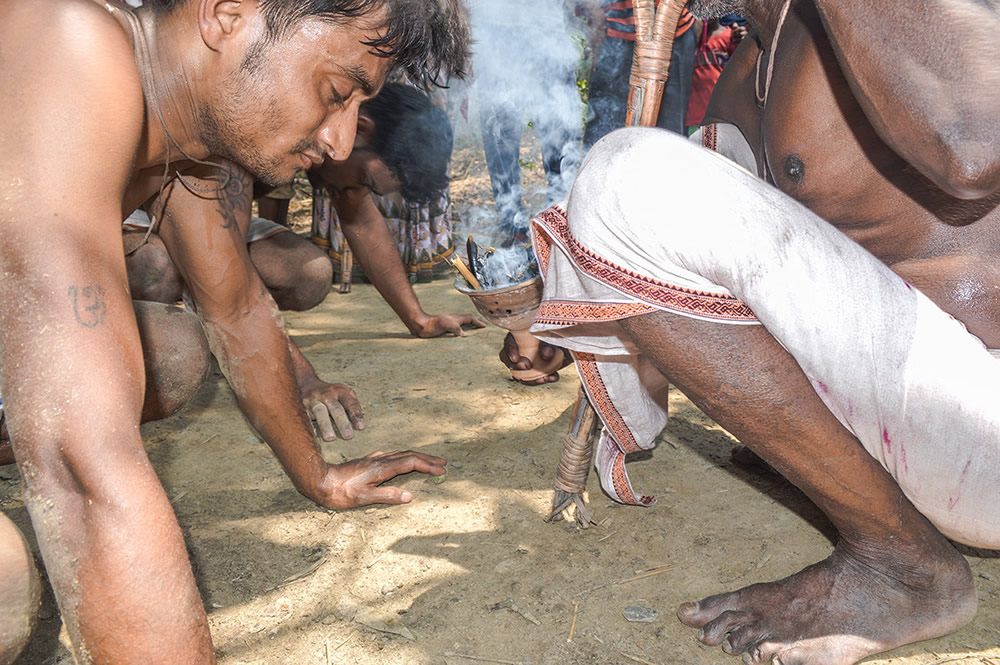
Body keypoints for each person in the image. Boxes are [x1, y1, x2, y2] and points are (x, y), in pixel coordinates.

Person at [507, 0, 1000, 663]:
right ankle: (879, 516)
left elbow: (977, 147)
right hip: (923, 445)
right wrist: (572, 316)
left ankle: (904, 568)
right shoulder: (750, 65)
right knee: (638, 189)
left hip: (981, 436)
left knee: (623, 177)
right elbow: (696, 273)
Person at [0, 0, 469, 662]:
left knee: (174, 355)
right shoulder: (68, 40)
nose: (339, 141)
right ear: (226, 13)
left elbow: (239, 311)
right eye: (335, 91)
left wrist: (319, 475)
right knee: (6, 583)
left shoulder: (191, 147)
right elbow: (81, 462)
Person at [309, 82, 486, 336]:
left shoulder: (347, 157)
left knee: (304, 276)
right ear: (360, 128)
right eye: (366, 181)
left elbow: (363, 225)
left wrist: (419, 321)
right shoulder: (276, 120)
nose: (354, 191)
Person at [581, 0, 697, 149]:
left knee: (669, 135)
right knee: (605, 134)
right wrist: (594, 13)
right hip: (612, 32)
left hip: (675, 30)